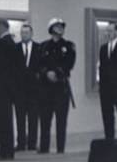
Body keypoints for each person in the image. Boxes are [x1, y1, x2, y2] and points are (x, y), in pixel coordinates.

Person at [37, 18, 76, 153]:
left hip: (61, 87)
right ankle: (44, 149)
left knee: (61, 120)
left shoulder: (69, 46)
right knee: (45, 120)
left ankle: (60, 149)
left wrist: (57, 73)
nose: (60, 28)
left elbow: (69, 64)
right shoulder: (43, 47)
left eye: (61, 26)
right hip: (45, 88)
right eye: (57, 26)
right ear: (51, 29)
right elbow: (39, 64)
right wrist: (46, 73)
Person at [0, 18, 20, 159]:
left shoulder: (4, 43)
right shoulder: (10, 43)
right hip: (5, 89)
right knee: (5, 120)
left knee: (2, 120)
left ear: (2, 27)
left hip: (1, 89)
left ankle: (5, 151)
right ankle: (7, 150)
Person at [15, 23, 42, 151]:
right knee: (20, 117)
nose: (24, 35)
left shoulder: (39, 48)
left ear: (31, 34)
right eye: (22, 33)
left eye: (26, 33)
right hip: (19, 89)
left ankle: (32, 143)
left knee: (33, 117)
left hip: (34, 89)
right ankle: (20, 143)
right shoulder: (15, 48)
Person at [98, 23, 117, 140]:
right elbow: (102, 67)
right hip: (105, 88)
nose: (108, 33)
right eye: (107, 31)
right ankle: (109, 139)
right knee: (107, 115)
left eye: (110, 31)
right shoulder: (103, 48)